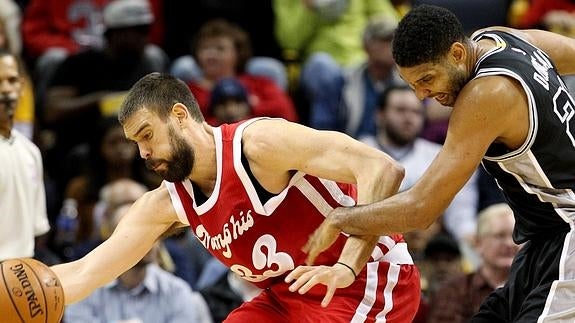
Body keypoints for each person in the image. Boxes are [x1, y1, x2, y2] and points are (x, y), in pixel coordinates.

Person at [50, 72, 420, 322]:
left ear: (180, 116)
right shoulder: (165, 204)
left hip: (367, 281)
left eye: (147, 135)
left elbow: (382, 168)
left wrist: (347, 265)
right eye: (136, 143)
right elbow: (87, 271)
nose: (142, 153)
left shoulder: (260, 145)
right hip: (289, 299)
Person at [303, 4, 575, 322]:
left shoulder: (487, 93)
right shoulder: (503, 39)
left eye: (428, 78)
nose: (422, 95)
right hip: (544, 242)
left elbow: (422, 208)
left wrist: (340, 219)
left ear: (458, 53)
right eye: (413, 84)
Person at [64, 203, 213, 323]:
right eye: (135, 234)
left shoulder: (177, 291)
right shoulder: (85, 291)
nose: (148, 241)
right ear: (110, 240)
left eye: (154, 234)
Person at [427, 203, 520, 323]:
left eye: (516, 236)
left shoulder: (536, 287)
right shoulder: (454, 291)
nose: (509, 244)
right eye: (500, 236)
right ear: (478, 243)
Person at [0, 49, 50, 261]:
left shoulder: (31, 152)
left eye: (12, 80)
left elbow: (38, 229)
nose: (5, 89)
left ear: (21, 87)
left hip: (21, 274)